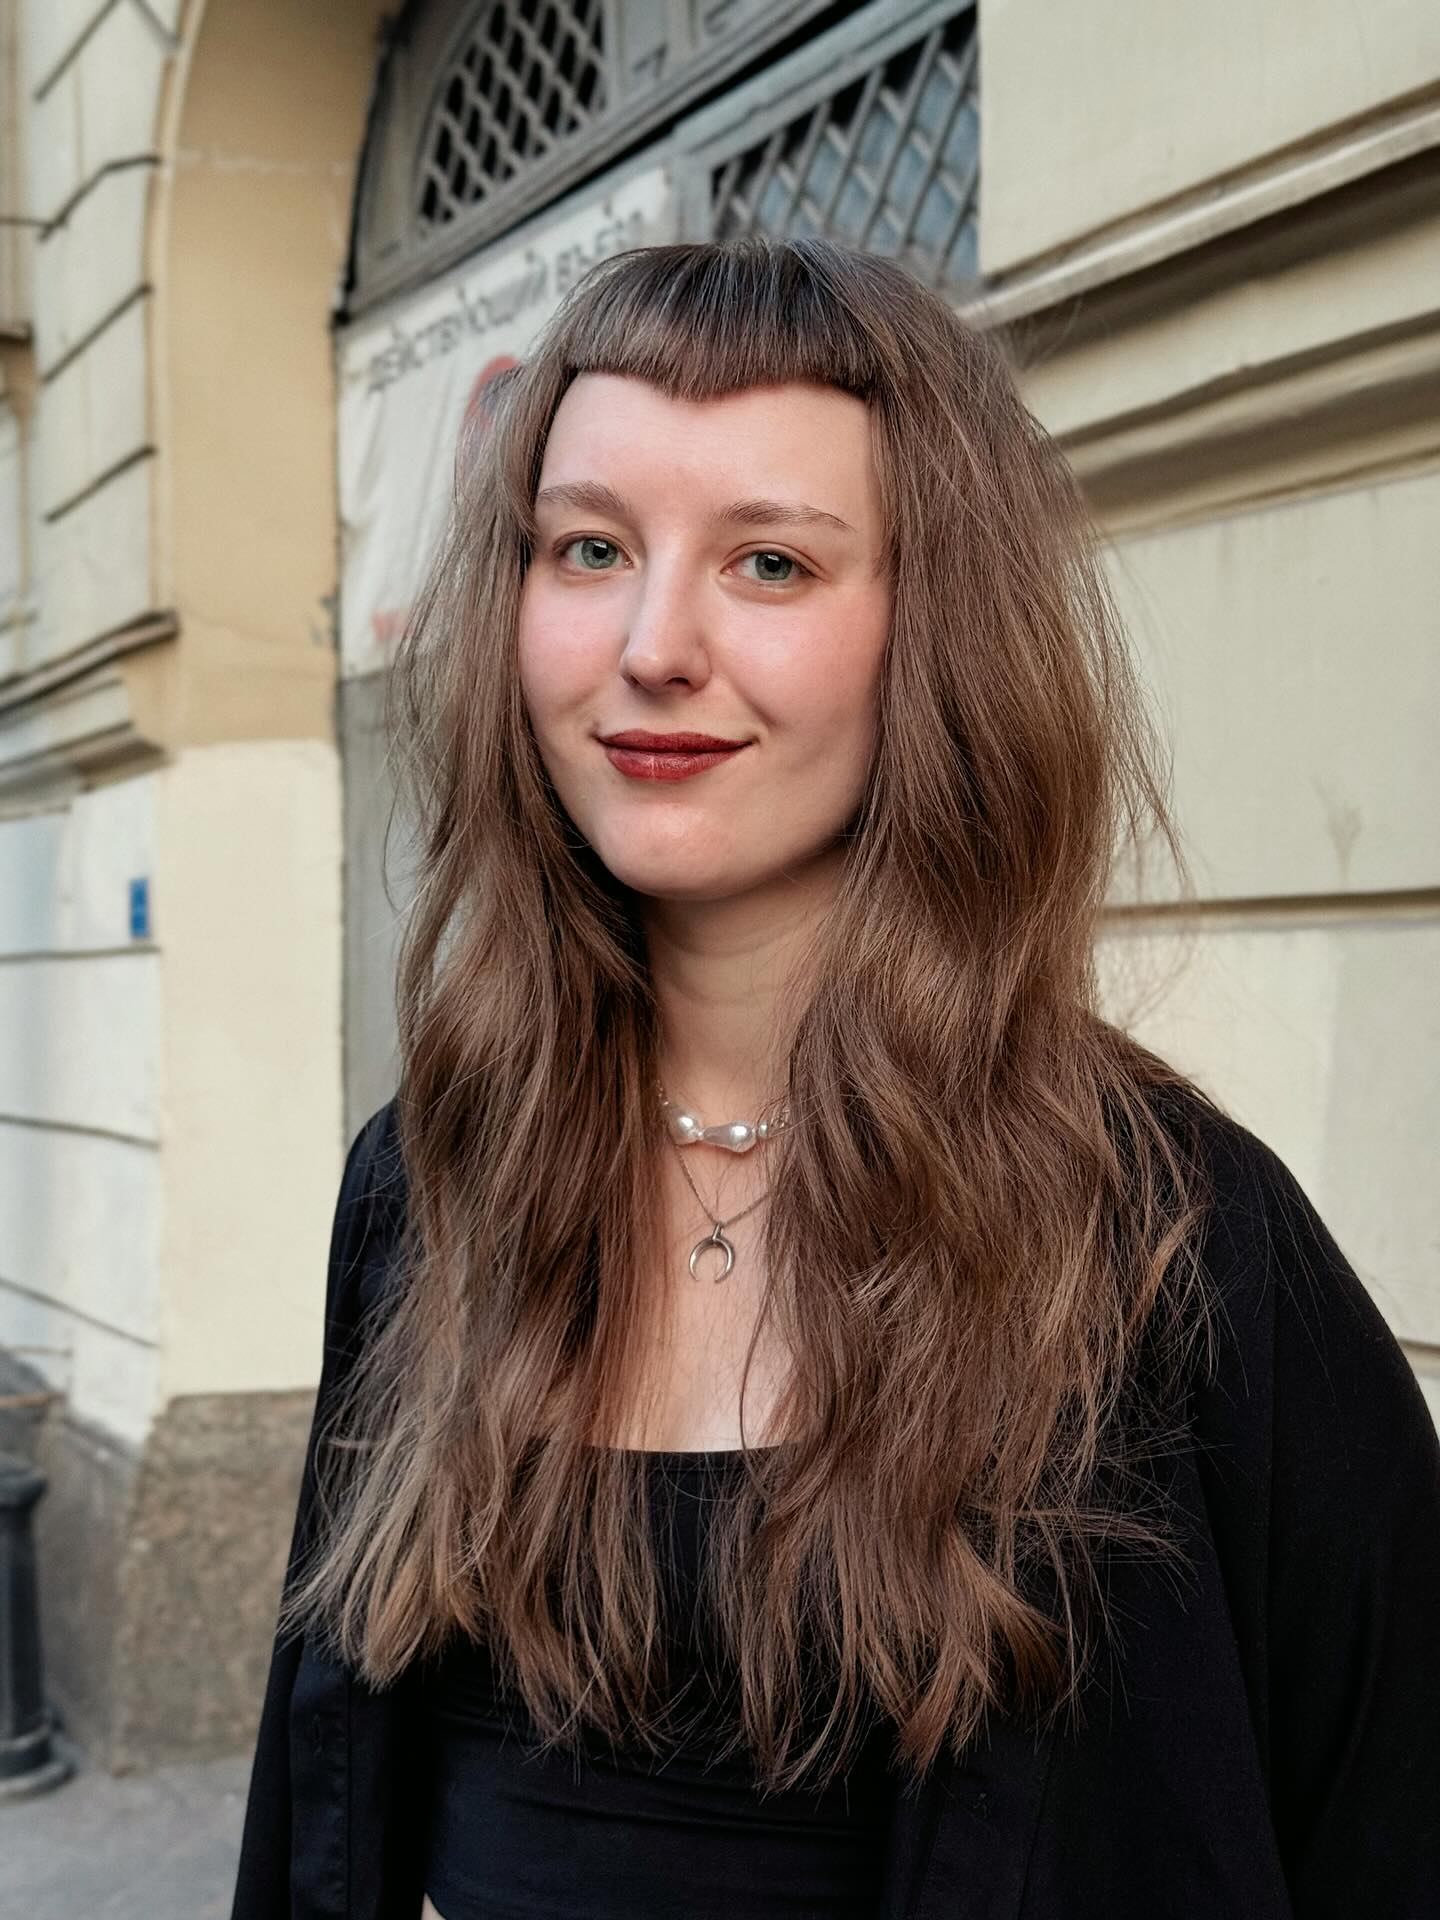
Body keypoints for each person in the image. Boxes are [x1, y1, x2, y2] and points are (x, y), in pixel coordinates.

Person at [230, 237, 1440, 1920]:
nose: (655, 644)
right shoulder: (431, 1179)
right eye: (589, 548)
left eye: (772, 565)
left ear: (929, 629)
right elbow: (331, 1808)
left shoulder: (1178, 1245)